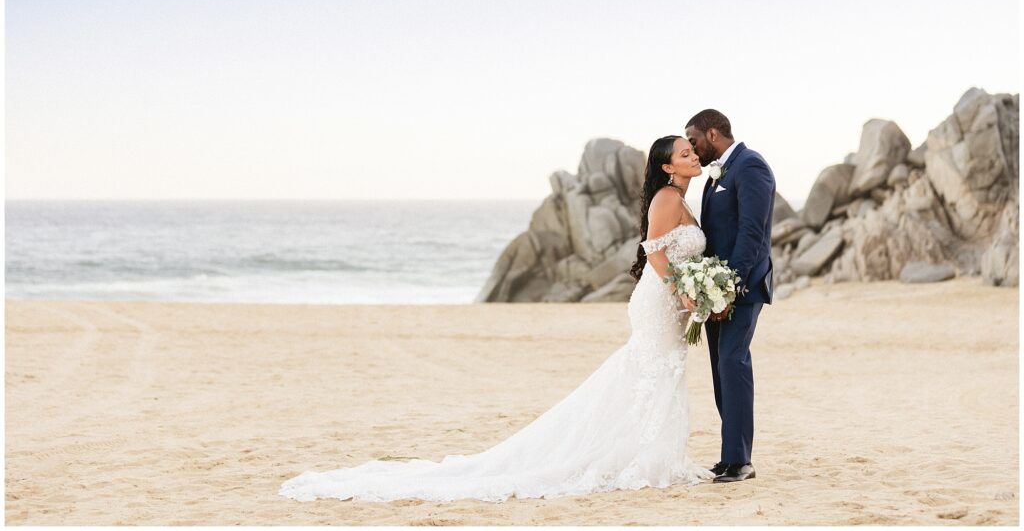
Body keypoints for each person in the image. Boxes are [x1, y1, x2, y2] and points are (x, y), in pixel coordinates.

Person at [278, 135, 714, 503]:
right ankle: (644, 457)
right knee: (653, 372)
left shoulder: (679, 198)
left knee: (661, 374)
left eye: (692, 152)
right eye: (684, 153)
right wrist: (683, 292)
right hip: (660, 301)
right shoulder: (665, 198)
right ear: (666, 165)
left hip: (671, 300)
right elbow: (654, 251)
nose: (693, 155)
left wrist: (694, 288)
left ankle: (657, 454)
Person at [685, 110, 775, 484]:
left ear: (712, 132)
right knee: (722, 371)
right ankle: (729, 457)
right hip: (714, 290)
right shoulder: (715, 175)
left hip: (742, 288)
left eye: (693, 141)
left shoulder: (751, 166)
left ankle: (741, 462)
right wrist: (706, 288)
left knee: (733, 364)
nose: (692, 149)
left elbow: (752, 235)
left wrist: (728, 288)